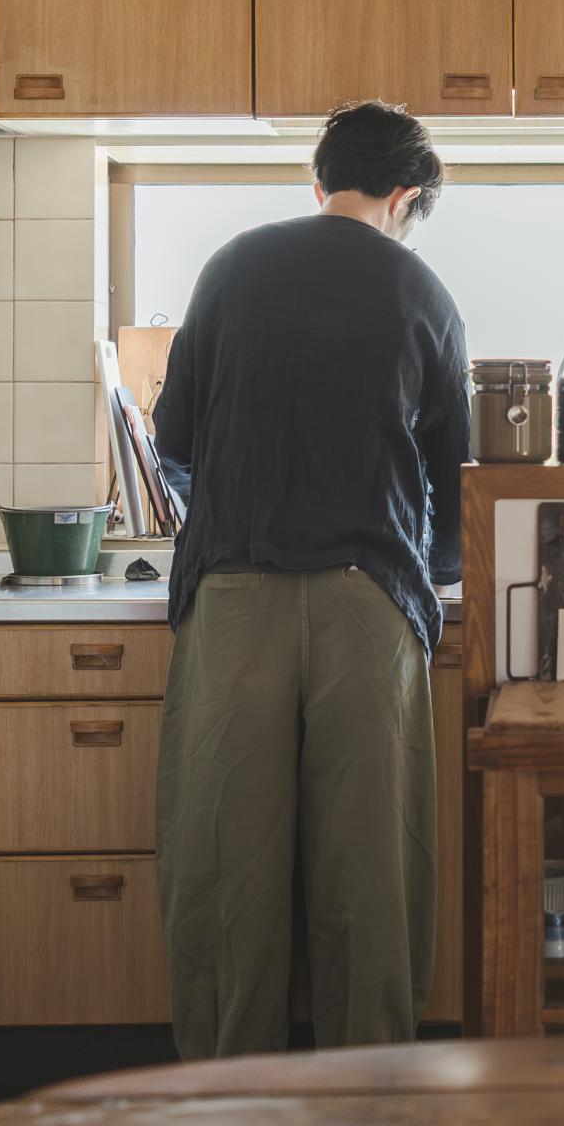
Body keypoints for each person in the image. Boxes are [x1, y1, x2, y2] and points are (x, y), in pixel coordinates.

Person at [150, 100, 469, 1059]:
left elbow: (174, 438)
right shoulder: (424, 294)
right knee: (370, 862)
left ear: (318, 180)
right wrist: (437, 575)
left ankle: (226, 1090)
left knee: (224, 861)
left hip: (236, 591)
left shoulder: (231, 266)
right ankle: (368, 1088)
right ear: (407, 196)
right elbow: (454, 480)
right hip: (367, 601)